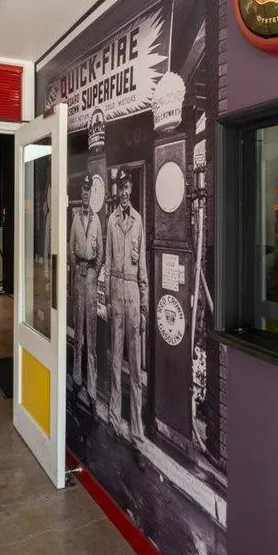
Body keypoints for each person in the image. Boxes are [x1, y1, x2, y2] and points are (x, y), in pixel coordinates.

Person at [104, 169, 148, 438]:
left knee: (135, 362)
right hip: (116, 292)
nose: (123, 192)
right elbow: (108, 264)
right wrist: (107, 299)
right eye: (120, 187)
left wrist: (144, 306)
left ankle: (137, 425)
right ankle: (113, 413)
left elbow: (142, 265)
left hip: (132, 291)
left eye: (127, 187)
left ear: (130, 189)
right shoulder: (110, 221)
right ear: (117, 190)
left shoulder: (138, 221)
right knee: (115, 358)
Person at [71, 175, 102, 402]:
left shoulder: (97, 220)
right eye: (83, 191)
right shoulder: (75, 220)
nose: (85, 195)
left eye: (88, 191)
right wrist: (77, 266)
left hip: (90, 278)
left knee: (91, 334)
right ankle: (76, 380)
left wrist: (93, 270)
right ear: (80, 193)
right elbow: (71, 248)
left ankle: (91, 386)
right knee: (78, 332)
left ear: (92, 195)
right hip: (78, 279)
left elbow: (101, 252)